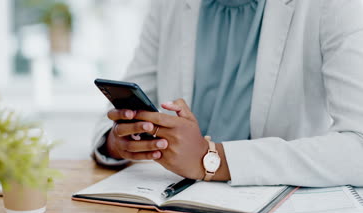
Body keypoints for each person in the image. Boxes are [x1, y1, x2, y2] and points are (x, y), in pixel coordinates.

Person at [92, 0, 363, 187]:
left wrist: (212, 159)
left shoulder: (335, 5)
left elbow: (357, 148)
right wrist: (121, 143)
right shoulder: (170, 4)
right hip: (176, 205)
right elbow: (116, 112)